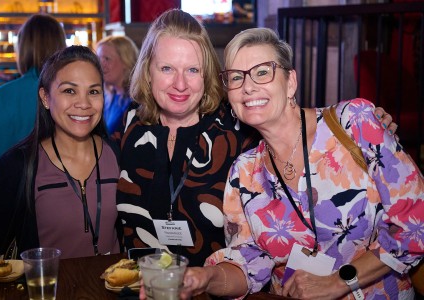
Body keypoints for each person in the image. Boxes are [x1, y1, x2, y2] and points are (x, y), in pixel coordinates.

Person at [114, 9, 397, 268]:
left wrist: (366, 129)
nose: (180, 83)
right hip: (136, 286)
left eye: (192, 70)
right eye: (166, 69)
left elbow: (293, 124)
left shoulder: (239, 129)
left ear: (207, 74)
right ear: (148, 71)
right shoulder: (130, 126)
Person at [180, 28, 424, 299]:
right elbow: (247, 264)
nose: (248, 86)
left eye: (262, 71)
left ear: (291, 81)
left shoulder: (353, 124)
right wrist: (205, 277)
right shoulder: (244, 172)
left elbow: (416, 222)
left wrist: (338, 282)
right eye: (236, 77)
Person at [0, 45, 120, 268]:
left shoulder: (118, 156)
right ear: (45, 97)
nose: (84, 104)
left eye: (93, 91)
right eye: (69, 91)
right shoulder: (17, 166)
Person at [0, 14, 66, 169]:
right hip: (68, 185)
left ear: (23, 48)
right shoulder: (74, 89)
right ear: (61, 45)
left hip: (21, 186)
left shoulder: (5, 94)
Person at [96, 35, 139, 134]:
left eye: (107, 59)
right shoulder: (108, 96)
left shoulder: (136, 103)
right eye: (99, 59)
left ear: (125, 61)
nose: (101, 65)